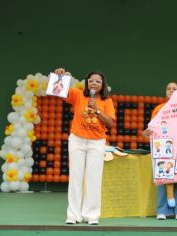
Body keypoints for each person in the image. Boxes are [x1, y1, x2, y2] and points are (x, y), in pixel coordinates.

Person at [54, 68, 115, 225]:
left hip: (97, 142)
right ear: (87, 83)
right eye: (91, 81)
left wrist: (97, 109)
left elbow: (110, 123)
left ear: (103, 84)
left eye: (98, 81)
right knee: (76, 178)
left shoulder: (107, 101)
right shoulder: (79, 94)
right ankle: (73, 215)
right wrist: (60, 77)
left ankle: (92, 215)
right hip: (77, 140)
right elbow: (59, 90)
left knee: (94, 179)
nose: (94, 83)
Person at [142, 82, 177, 220]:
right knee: (163, 178)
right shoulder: (158, 109)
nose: (171, 90)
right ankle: (162, 211)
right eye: (168, 88)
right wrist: (147, 133)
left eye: (174, 89)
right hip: (164, 148)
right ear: (165, 92)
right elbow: (153, 129)